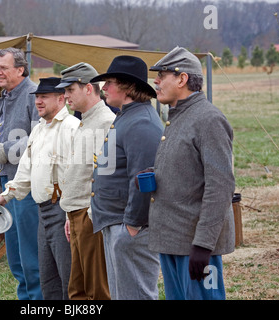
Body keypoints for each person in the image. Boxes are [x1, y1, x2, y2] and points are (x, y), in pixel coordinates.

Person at [147, 46, 235, 300]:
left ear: (182, 79)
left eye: (162, 75)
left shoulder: (209, 119)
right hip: (172, 240)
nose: (156, 81)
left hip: (194, 244)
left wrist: (204, 244)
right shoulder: (176, 116)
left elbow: (220, 187)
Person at [0, 77, 79, 300]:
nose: (38, 102)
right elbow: (25, 171)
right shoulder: (38, 130)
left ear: (61, 99)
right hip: (43, 211)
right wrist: (6, 195)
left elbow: (78, 176)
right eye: (37, 97)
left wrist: (70, 214)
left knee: (68, 276)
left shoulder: (72, 128)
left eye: (44, 97)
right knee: (47, 276)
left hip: (63, 211)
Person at [89, 56, 163, 300]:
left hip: (130, 227)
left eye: (110, 82)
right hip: (118, 223)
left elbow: (145, 178)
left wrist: (132, 226)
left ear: (129, 87)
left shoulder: (141, 122)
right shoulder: (128, 115)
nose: (104, 88)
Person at [55, 62, 115, 300]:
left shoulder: (105, 122)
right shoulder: (86, 120)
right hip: (77, 213)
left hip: (90, 215)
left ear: (88, 89)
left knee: (97, 289)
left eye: (70, 90)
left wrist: (89, 213)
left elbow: (106, 177)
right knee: (77, 289)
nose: (66, 96)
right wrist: (69, 214)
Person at [0, 47, 42, 300]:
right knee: (16, 257)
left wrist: (7, 150)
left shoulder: (33, 95)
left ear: (20, 69)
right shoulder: (7, 95)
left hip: (26, 187)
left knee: (30, 256)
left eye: (3, 68)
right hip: (8, 183)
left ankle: (38, 302)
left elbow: (39, 139)